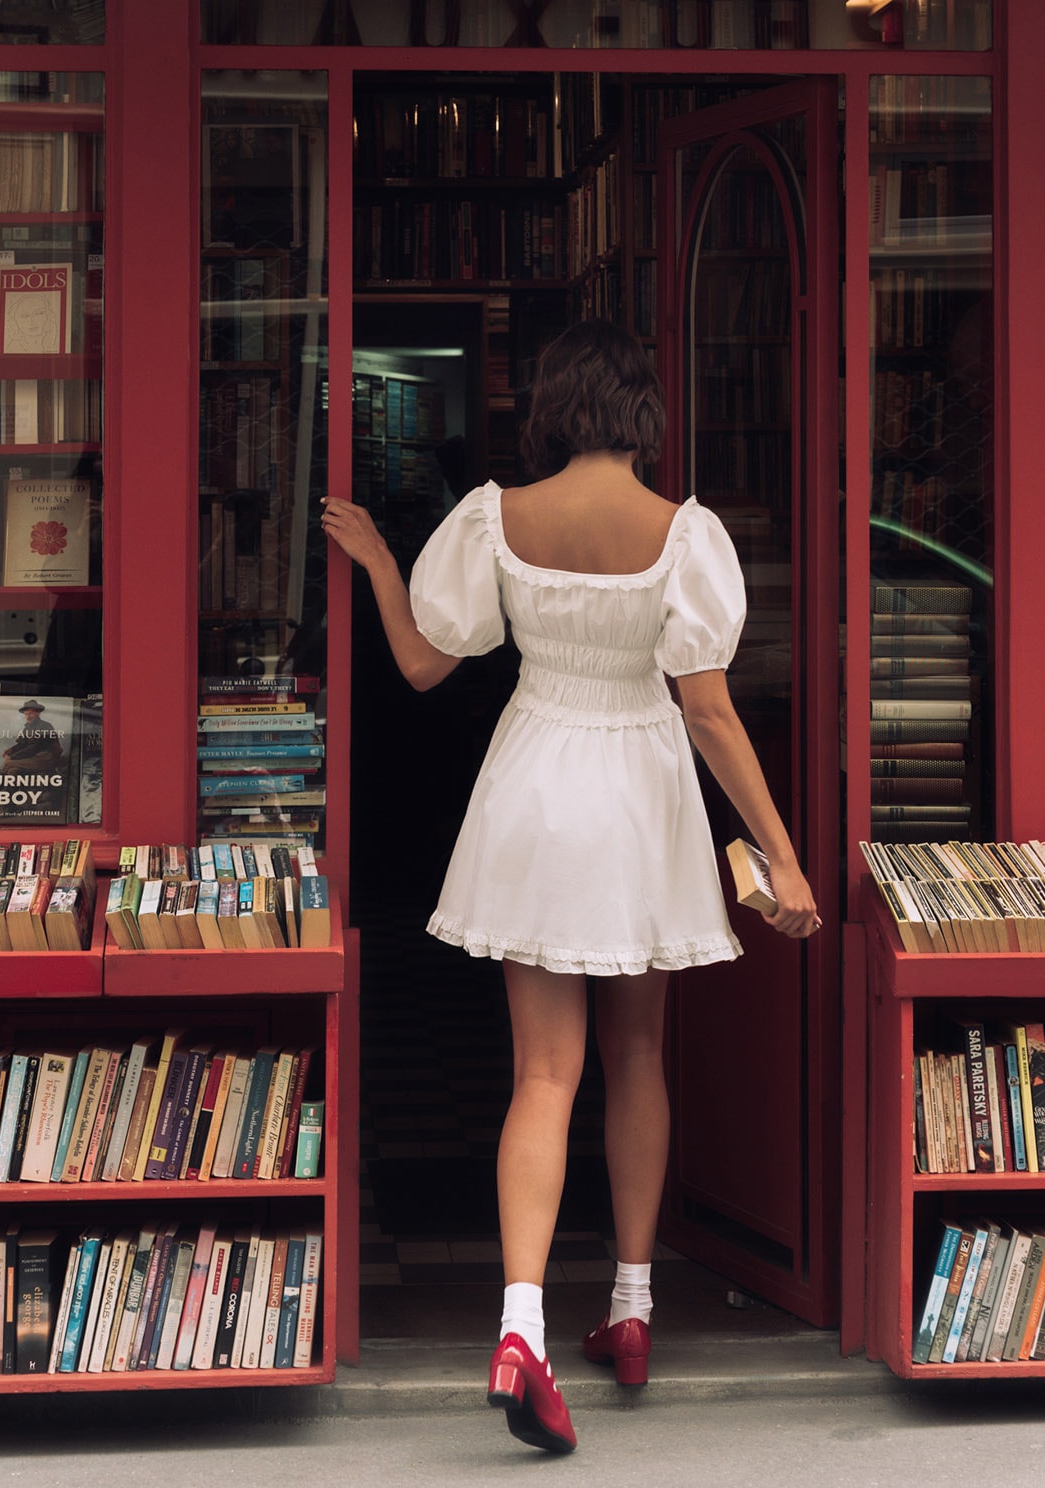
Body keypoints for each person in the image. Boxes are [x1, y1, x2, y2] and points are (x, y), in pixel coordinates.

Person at [322, 319, 818, 1457]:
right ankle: (633, 1310)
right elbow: (706, 708)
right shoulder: (686, 534)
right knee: (637, 1054)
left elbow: (424, 663)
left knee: (542, 1073)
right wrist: (780, 853)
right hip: (640, 785)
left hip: (536, 776)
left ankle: (521, 1327)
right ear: (642, 411)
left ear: (548, 404)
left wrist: (381, 564)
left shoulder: (496, 514)